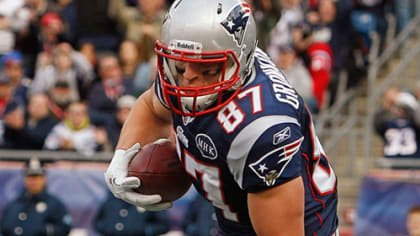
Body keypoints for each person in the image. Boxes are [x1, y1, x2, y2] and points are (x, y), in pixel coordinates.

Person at [104, 0, 339, 235]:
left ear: (239, 63)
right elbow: (151, 107)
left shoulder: (261, 127)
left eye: (207, 69)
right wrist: (122, 157)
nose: (189, 79)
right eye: (181, 65)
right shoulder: (188, 66)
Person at [0, 158, 73, 236]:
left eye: (38, 177)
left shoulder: (55, 204)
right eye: (30, 177)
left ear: (44, 179)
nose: (34, 181)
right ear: (25, 179)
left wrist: (42, 230)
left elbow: (64, 228)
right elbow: (5, 228)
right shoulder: (14, 204)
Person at [93, 190, 170, 236]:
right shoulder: (113, 197)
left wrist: (143, 230)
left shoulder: (150, 196)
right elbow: (97, 222)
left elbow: (163, 225)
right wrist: (109, 229)